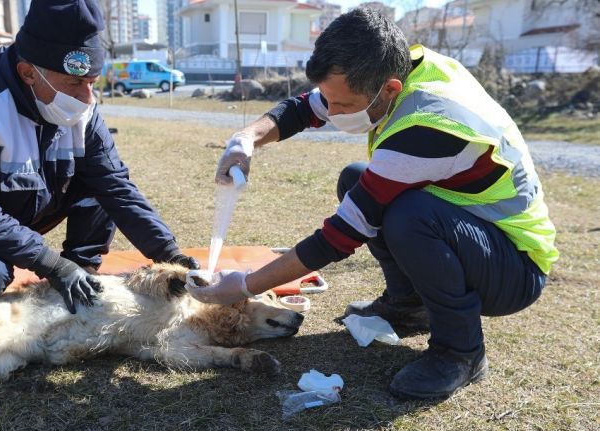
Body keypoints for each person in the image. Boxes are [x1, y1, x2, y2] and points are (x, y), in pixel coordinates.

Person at [187, 8, 558, 400]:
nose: (331, 113)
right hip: (477, 232)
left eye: (343, 106)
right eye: (331, 101)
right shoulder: (397, 68)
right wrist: (245, 138)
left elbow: (338, 237)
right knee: (356, 178)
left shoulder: (427, 126)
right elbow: (302, 108)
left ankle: (461, 353)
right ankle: (408, 306)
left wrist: (243, 286)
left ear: (391, 89)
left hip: (514, 267)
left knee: (406, 215)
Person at [0, 0, 198, 315]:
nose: (86, 98)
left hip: (12, 205)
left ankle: (81, 275)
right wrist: (52, 264)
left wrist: (170, 254)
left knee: (99, 185)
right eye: (75, 83)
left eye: (92, 83)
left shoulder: (78, 105)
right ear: (28, 73)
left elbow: (114, 185)